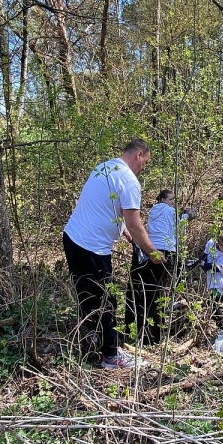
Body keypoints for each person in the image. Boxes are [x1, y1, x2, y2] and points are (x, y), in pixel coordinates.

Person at [63, 140, 164, 368]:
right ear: (139, 155)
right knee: (105, 300)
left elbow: (107, 207)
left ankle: (94, 343)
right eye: (145, 163)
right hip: (91, 248)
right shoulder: (129, 180)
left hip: (73, 239)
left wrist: (125, 234)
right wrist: (153, 252)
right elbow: (136, 223)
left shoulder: (105, 167)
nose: (143, 169)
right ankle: (111, 356)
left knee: (89, 298)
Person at [124, 190, 195, 344]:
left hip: (148, 249)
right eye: (170, 199)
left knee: (142, 291)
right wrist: (187, 216)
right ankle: (153, 336)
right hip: (164, 252)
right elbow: (179, 230)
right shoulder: (171, 211)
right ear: (163, 199)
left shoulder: (152, 211)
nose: (172, 202)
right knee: (157, 293)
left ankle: (134, 331)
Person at [202, 231, 223, 325]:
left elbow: (217, 268)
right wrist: (199, 263)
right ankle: (221, 326)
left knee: (212, 303)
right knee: (212, 304)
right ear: (218, 243)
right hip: (214, 280)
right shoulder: (211, 243)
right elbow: (204, 256)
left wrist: (204, 265)